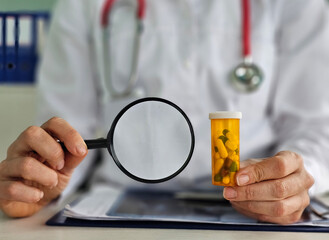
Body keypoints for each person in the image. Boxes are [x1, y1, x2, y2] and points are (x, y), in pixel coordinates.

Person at [0, 0, 328, 224]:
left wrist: (294, 180)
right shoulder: (84, 5)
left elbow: (315, 124)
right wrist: (42, 181)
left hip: (254, 214)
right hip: (109, 211)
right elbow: (66, 134)